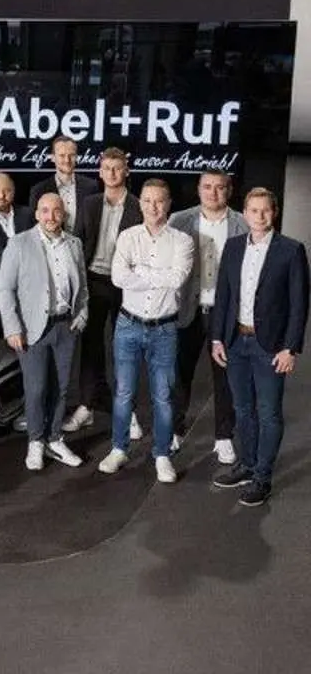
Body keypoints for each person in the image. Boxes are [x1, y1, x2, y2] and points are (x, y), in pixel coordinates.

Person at [210, 187, 309, 506]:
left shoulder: (291, 250)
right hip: (235, 342)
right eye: (254, 210)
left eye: (266, 210)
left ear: (274, 212)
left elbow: (299, 304)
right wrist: (217, 337)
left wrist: (290, 347)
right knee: (242, 410)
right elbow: (223, 295)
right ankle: (247, 465)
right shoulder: (233, 246)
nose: (260, 216)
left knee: (268, 414)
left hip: (271, 347)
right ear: (245, 213)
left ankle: (262, 478)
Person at [99, 179, 194, 483]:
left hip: (164, 329)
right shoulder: (127, 237)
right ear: (139, 203)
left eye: (160, 200)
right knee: (124, 392)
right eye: (148, 200)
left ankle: (162, 455)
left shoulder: (182, 241)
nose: (153, 207)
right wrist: (156, 275)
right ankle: (119, 449)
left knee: (163, 396)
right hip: (128, 325)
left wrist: (138, 271)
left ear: (169, 204)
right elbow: (118, 277)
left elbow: (177, 279)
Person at [0, 193, 88, 470]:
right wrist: (12, 327)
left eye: (56, 211)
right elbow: (5, 289)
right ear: (37, 214)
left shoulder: (74, 244)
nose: (51, 216)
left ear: (64, 215)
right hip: (31, 328)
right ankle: (36, 442)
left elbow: (82, 286)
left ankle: (55, 439)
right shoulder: (19, 243)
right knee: (36, 389)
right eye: (45, 211)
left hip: (65, 326)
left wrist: (82, 314)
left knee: (61, 388)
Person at [169, 171, 248, 464]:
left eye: (219, 187)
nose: (213, 193)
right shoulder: (179, 220)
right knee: (179, 374)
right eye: (207, 187)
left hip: (224, 313)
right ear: (198, 190)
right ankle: (174, 430)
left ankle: (224, 437)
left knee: (225, 377)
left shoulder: (243, 223)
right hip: (187, 309)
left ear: (229, 190)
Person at [64, 148, 142, 433]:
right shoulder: (90, 203)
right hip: (93, 281)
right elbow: (77, 243)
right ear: (99, 171)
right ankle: (87, 405)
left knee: (125, 349)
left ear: (126, 171)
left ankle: (127, 411)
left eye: (117, 168)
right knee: (90, 348)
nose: (111, 173)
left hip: (125, 284)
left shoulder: (138, 205)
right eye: (106, 168)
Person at [28, 136, 100, 234]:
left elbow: (95, 225)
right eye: (62, 155)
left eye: (71, 155)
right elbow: (34, 228)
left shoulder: (91, 187)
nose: (67, 160)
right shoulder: (38, 191)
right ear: (53, 158)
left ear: (77, 157)